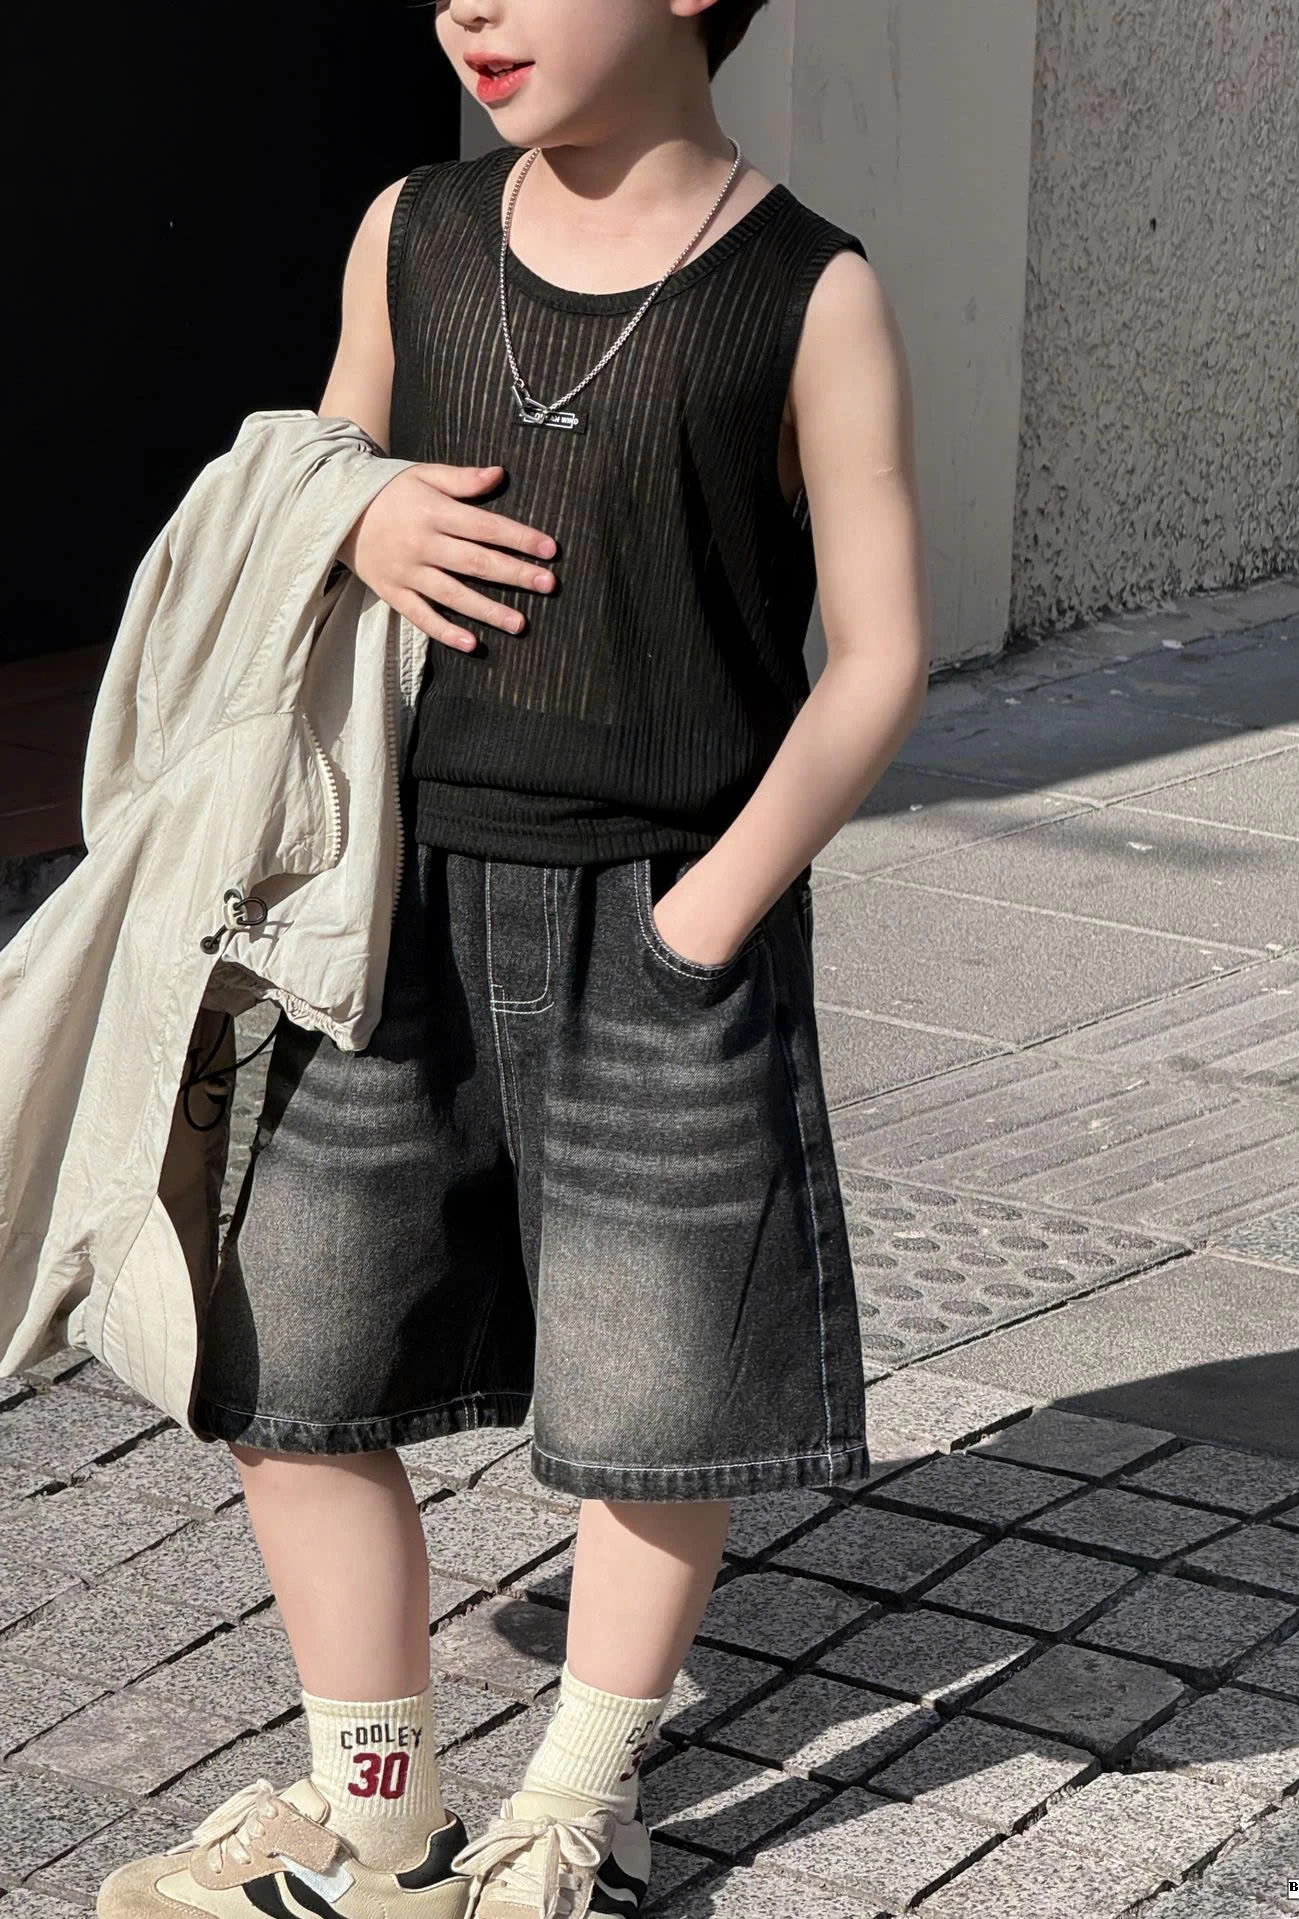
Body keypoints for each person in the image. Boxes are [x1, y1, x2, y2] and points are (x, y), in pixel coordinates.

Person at [99, 0, 930, 1913]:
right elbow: (310, 472)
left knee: (658, 1382)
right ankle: (376, 1807)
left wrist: (709, 911)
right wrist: (363, 510)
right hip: (385, 906)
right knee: (287, 1350)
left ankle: (575, 1801)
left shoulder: (809, 295)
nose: (470, 7)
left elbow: (881, 652)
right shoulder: (413, 231)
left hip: (666, 913)